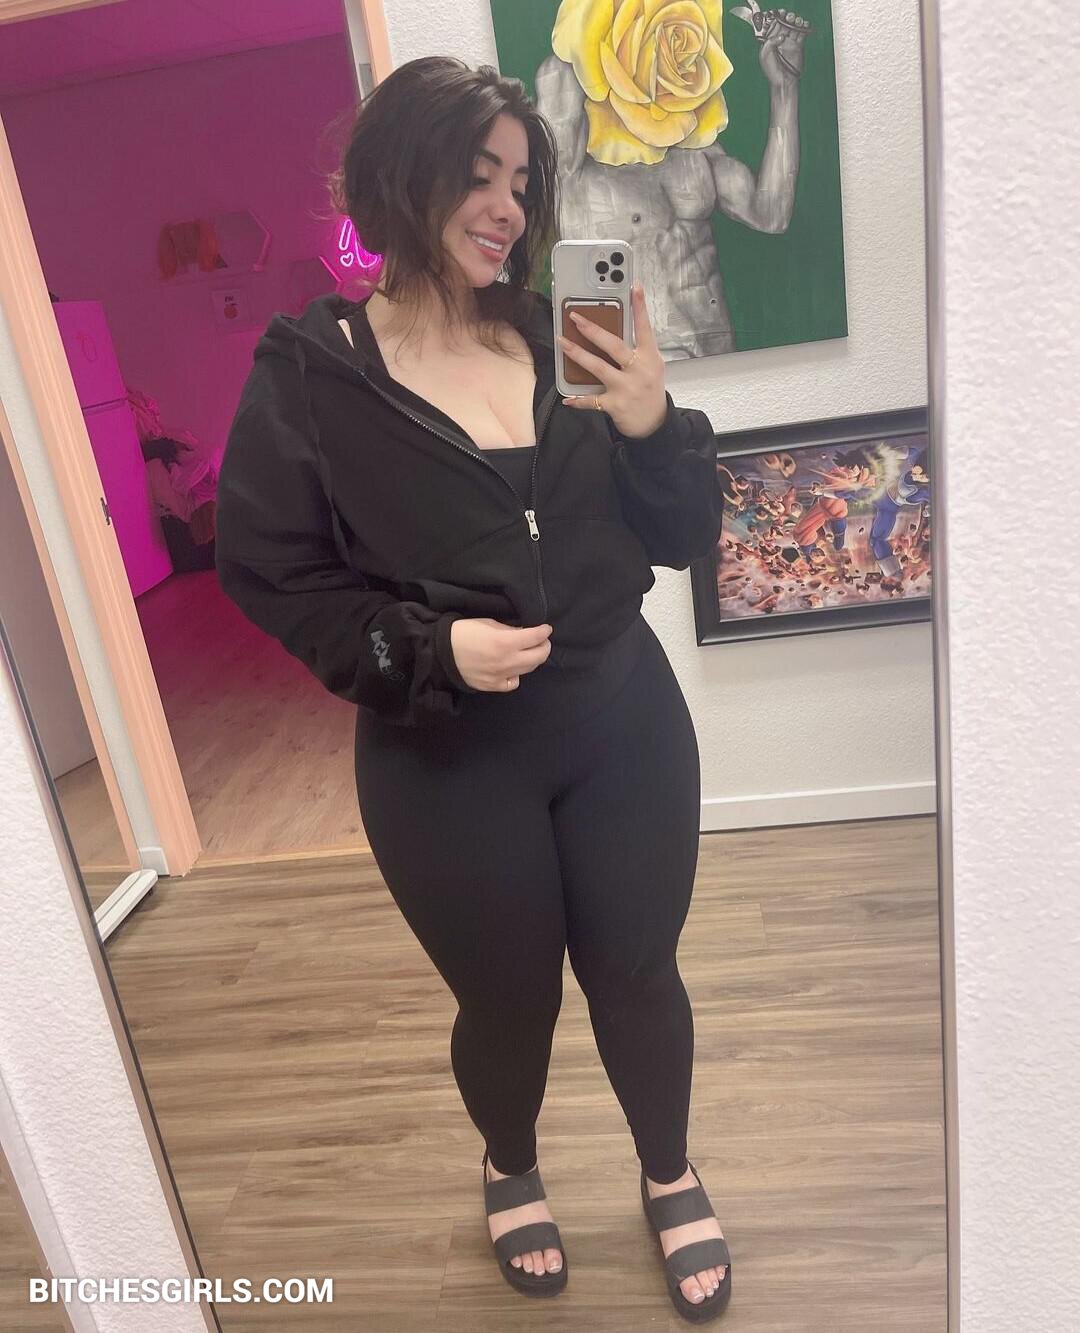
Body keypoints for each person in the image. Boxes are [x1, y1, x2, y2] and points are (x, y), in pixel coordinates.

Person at [215, 56, 731, 1321]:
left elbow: (681, 534)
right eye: (478, 175)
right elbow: (275, 575)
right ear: (403, 174)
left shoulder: (567, 331)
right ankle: (510, 1162)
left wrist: (653, 421)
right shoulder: (315, 371)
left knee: (640, 972)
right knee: (509, 999)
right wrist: (431, 649)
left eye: (521, 181)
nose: (507, 207)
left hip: (619, 719)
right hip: (445, 753)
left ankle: (669, 1171)